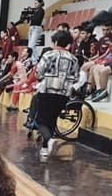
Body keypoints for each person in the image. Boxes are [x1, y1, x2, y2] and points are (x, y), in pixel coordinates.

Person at [32, 29, 79, 160]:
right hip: (63, 94)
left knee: (40, 121)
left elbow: (38, 73)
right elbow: (75, 78)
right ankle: (45, 148)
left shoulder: (49, 55)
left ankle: (49, 140)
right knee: (51, 120)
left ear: (56, 42)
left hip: (47, 91)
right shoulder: (74, 59)